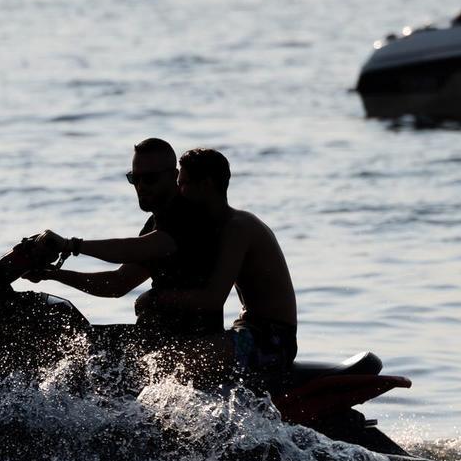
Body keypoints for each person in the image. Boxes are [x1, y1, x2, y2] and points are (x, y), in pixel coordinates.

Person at [36, 148, 299, 390]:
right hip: (242, 329)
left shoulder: (236, 227)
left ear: (206, 185)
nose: (178, 190)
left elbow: (212, 299)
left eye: (182, 183)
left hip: (271, 338)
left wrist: (154, 298)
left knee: (167, 366)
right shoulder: (203, 227)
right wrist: (53, 275)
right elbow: (118, 282)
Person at [25, 137, 225, 338]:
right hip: (153, 337)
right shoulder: (155, 223)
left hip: (189, 343)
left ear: (173, 176)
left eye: (149, 179)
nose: (141, 186)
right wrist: (51, 274)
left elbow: (132, 250)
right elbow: (117, 283)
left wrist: (70, 245)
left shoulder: (188, 216)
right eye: (134, 178)